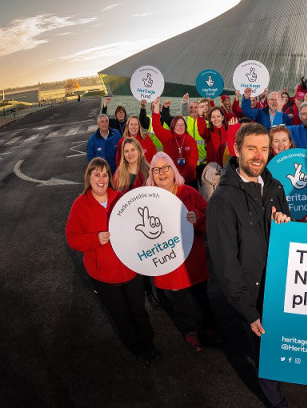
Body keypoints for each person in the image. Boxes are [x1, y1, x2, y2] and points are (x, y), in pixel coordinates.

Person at [206, 122, 292, 408]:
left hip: (278, 290)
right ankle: (277, 402)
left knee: (278, 348)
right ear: (237, 150)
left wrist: (284, 224)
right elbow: (225, 266)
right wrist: (248, 312)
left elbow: (286, 234)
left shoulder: (275, 186)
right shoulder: (222, 200)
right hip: (252, 299)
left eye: (264, 149)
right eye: (251, 148)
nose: (258, 155)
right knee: (264, 358)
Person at [65, 158, 157, 365]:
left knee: (139, 312)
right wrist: (95, 239)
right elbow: (72, 238)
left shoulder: (120, 199)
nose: (101, 179)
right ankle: (137, 349)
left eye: (105, 174)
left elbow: (138, 226)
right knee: (121, 316)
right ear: (89, 177)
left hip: (130, 271)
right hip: (104, 277)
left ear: (109, 178)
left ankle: (149, 343)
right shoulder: (80, 205)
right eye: (96, 174)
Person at [147, 152, 220, 351]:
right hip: (169, 264)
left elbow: (210, 218)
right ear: (152, 174)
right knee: (180, 304)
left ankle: (209, 328)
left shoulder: (188, 192)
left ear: (174, 170)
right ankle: (190, 332)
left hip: (192, 261)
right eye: (156, 169)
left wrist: (198, 218)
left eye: (166, 167)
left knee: (203, 298)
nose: (162, 173)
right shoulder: (148, 200)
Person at [151, 99, 199, 185]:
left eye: (182, 125)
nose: (180, 127)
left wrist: (182, 177)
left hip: (188, 180)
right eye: (177, 125)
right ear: (173, 126)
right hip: (170, 179)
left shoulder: (190, 140)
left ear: (185, 126)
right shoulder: (167, 136)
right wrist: (156, 106)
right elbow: (156, 126)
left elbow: (192, 162)